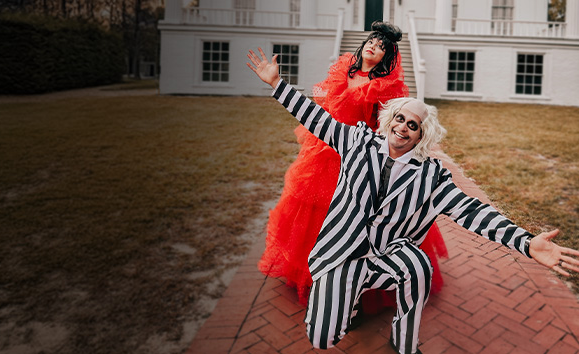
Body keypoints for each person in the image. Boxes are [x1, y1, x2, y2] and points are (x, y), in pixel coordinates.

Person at [246, 48, 579, 354]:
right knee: (322, 339)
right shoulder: (356, 142)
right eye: (400, 119)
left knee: (418, 266)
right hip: (342, 255)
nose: (403, 127)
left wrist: (525, 242)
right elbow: (316, 119)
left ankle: (402, 343)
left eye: (413, 125)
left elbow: (472, 212)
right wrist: (277, 83)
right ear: (389, 119)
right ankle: (342, 299)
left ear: (421, 135)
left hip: (388, 255)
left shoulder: (432, 176)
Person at [258, 21, 448, 312]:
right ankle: (316, 274)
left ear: (388, 58)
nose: (374, 46)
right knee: (313, 215)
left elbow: (388, 128)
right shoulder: (344, 68)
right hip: (324, 150)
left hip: (356, 155)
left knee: (353, 222)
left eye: (382, 47)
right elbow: (320, 112)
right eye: (372, 41)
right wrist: (276, 84)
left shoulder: (386, 86)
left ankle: (354, 290)